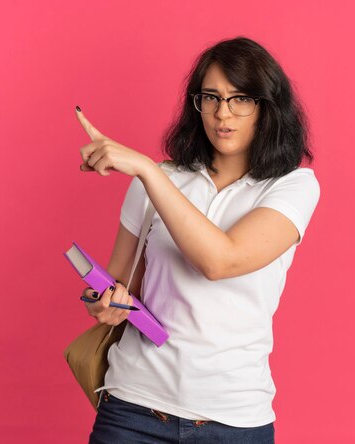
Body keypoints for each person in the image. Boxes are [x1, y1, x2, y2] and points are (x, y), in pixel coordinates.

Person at [75, 36, 320, 443]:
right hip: (133, 408)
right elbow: (120, 282)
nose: (223, 114)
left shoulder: (293, 186)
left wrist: (147, 171)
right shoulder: (160, 179)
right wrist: (103, 303)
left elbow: (221, 262)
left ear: (267, 107)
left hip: (234, 420)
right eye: (211, 97)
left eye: (240, 98)